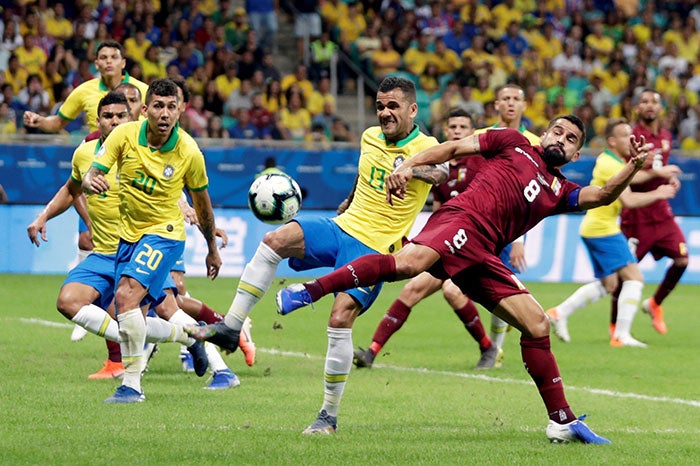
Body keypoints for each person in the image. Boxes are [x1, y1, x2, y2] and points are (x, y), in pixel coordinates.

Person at [276, 114, 652, 443]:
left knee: (537, 324)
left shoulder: (560, 191)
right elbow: (452, 149)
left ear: (575, 156)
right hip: (461, 219)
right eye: (557, 131)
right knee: (409, 265)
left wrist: (632, 166)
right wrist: (407, 166)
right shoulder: (514, 141)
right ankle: (311, 290)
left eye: (570, 140)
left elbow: (602, 195)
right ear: (544, 134)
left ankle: (561, 422)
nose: (561, 139)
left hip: (483, 253)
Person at [188, 76, 448, 433]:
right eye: (380, 106)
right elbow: (364, 175)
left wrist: (410, 169)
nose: (385, 113)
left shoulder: (426, 144)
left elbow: (441, 171)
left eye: (393, 106)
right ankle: (232, 327)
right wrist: (349, 200)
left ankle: (328, 415)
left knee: (340, 319)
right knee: (274, 240)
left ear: (412, 109)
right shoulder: (369, 137)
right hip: (344, 226)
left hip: (376, 247)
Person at [25, 92, 210, 381]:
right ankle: (189, 338)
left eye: (120, 116)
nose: (114, 121)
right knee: (70, 302)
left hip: (143, 246)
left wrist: (191, 212)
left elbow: (166, 189)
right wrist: (43, 215)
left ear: (133, 116)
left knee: (165, 310)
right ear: (97, 121)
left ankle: (213, 356)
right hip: (104, 252)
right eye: (107, 116)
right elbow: (72, 189)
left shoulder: (141, 147)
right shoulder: (85, 154)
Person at [83, 79, 222, 403]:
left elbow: (202, 204)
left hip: (165, 235)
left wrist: (212, 250)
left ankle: (131, 386)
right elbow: (93, 172)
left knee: (126, 298)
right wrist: (92, 180)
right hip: (128, 236)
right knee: (144, 312)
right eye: (158, 106)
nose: (164, 113)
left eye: (171, 107)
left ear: (181, 110)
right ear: (145, 110)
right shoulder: (124, 135)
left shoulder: (188, 152)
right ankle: (191, 338)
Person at [352, 109, 501, 371]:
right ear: (445, 131)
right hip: (446, 242)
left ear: (471, 133)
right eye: (452, 126)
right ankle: (371, 353)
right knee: (411, 290)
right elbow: (439, 208)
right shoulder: (439, 168)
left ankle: (489, 348)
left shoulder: (480, 163)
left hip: (473, 243)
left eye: (463, 126)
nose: (457, 131)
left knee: (452, 291)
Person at [546, 118, 678, 346]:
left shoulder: (614, 161)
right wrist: (660, 193)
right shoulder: (609, 164)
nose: (631, 139)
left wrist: (657, 173)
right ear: (612, 140)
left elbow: (634, 175)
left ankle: (559, 313)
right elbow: (628, 199)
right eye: (626, 136)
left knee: (609, 285)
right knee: (635, 279)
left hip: (596, 227)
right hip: (603, 229)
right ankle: (621, 335)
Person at [472, 83, 538, 358]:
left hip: (509, 227)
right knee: (463, 289)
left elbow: (534, 195)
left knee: (499, 290)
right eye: (505, 98)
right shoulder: (480, 136)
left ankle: (495, 350)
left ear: (524, 106)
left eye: (516, 99)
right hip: (476, 220)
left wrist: (519, 239)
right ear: (496, 105)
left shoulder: (534, 143)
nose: (511, 103)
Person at [615, 89, 687, 334]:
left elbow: (660, 170)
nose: (649, 105)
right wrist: (658, 174)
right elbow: (626, 180)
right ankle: (615, 328)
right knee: (624, 275)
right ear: (637, 107)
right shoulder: (631, 136)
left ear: (661, 108)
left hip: (662, 213)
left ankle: (655, 303)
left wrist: (669, 181)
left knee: (682, 259)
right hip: (637, 216)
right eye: (644, 101)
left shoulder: (665, 136)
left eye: (654, 101)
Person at [22, 41, 149, 133]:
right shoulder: (84, 90)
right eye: (104, 58)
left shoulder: (143, 90)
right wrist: (40, 121)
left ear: (123, 63)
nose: (109, 61)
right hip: (98, 158)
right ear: (97, 64)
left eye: (114, 57)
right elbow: (58, 122)